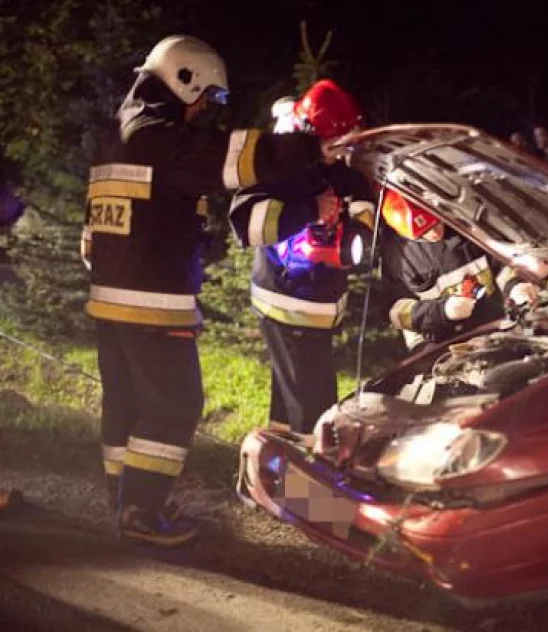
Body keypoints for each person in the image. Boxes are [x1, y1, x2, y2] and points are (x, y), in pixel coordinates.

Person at [83, 35, 334, 546]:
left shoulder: (118, 136)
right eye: (209, 97)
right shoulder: (157, 136)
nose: (207, 110)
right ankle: (142, 512)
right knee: (175, 405)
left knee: (125, 405)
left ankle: (125, 501)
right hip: (152, 303)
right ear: (184, 78)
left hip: (111, 302)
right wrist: (313, 148)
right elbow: (234, 157)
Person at [229, 79, 373, 439]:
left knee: (290, 399)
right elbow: (246, 223)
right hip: (285, 302)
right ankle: (308, 493)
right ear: (309, 134)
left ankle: (272, 477)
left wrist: (354, 225)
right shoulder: (278, 164)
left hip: (320, 305)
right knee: (314, 408)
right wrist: (310, 210)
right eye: (332, 144)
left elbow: (364, 215)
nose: (339, 152)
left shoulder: (343, 172)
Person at [379, 191, 540, 353]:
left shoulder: (467, 229)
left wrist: (515, 286)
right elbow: (396, 313)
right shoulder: (396, 257)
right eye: (425, 232)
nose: (435, 233)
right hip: (439, 348)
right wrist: (442, 311)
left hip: (496, 328)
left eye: (436, 223)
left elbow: (501, 266)